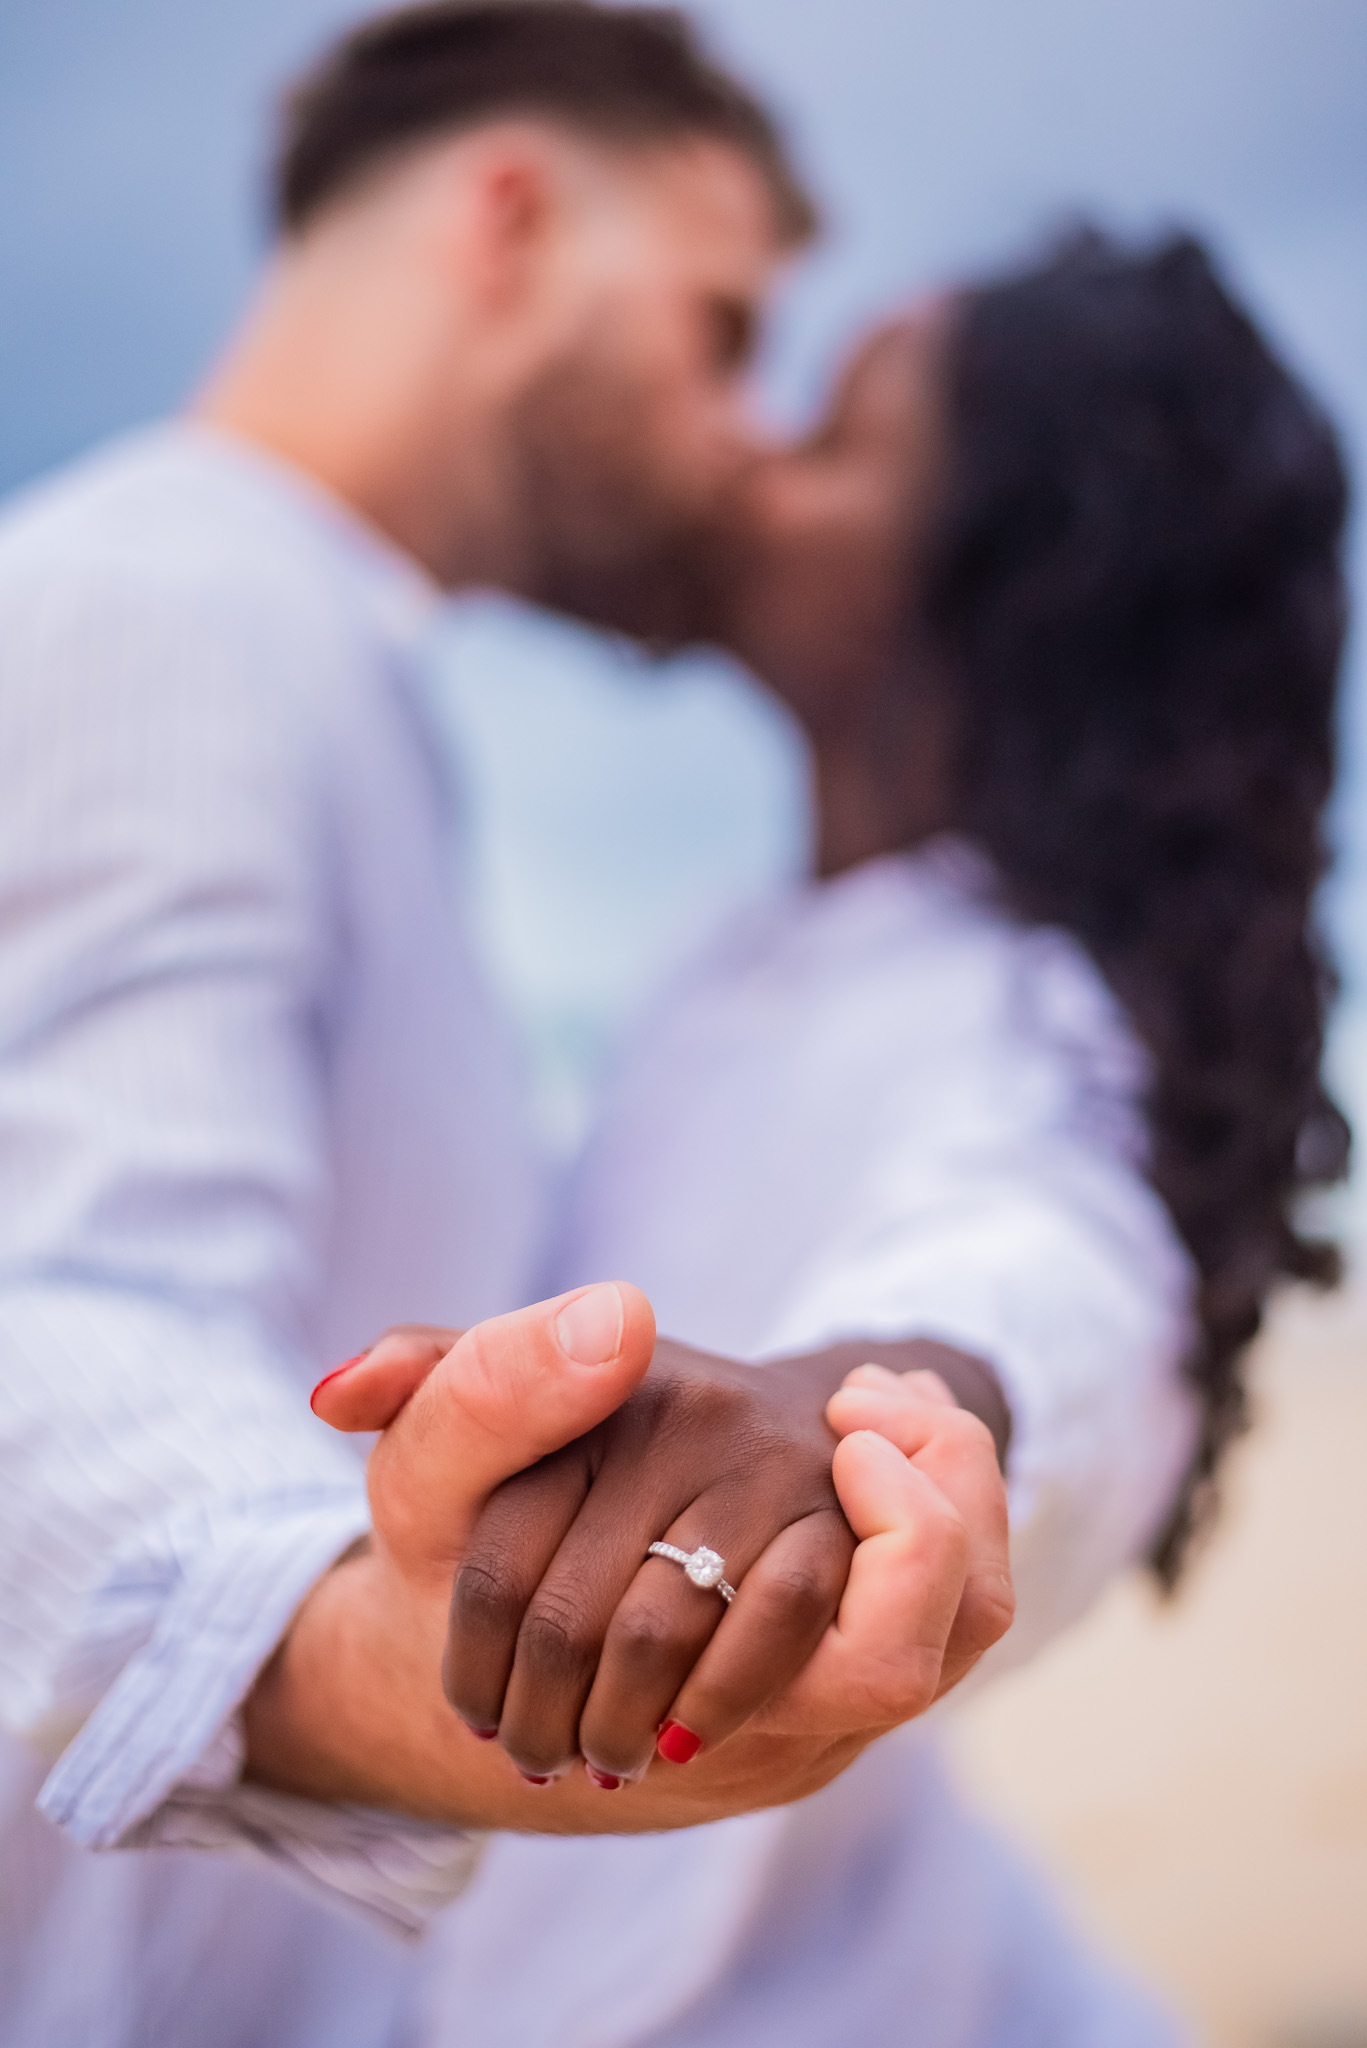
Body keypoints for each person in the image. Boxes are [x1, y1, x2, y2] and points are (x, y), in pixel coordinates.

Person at [0, 9, 1010, 2045]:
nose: (739, 434)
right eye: (721, 330)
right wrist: (419, 1663)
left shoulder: (316, 667)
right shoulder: (163, 609)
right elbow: (50, 1307)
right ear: (512, 218)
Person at [327, 228, 1349, 2044]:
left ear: (1011, 583)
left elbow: (1052, 1254)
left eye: (832, 435)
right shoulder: (739, 957)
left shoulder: (1029, 1003)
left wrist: (858, 1416)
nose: (747, 457)